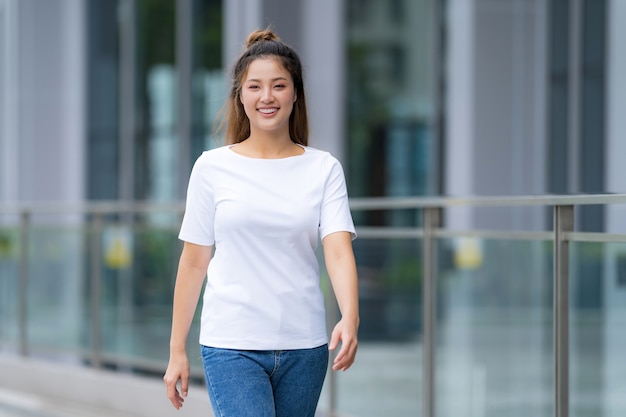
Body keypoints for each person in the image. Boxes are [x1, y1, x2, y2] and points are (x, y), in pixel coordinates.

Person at [163, 28, 359, 417]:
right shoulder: (212, 167)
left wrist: (350, 316)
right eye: (255, 86)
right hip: (231, 343)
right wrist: (175, 351)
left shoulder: (323, 168)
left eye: (279, 85)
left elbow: (338, 252)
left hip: (305, 345)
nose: (266, 97)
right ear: (240, 94)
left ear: (295, 93)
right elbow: (194, 262)